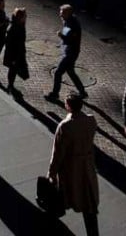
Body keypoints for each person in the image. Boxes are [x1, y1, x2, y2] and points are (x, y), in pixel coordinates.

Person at [48, 93, 99, 236]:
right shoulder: (91, 120)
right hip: (87, 167)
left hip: (71, 168)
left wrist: (51, 173)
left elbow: (58, 152)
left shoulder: (65, 126)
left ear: (68, 106)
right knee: (89, 203)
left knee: (65, 196)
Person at [46, 4, 87, 102]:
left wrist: (61, 36)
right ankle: (82, 92)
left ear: (68, 13)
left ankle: (55, 94)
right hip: (69, 51)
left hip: (70, 53)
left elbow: (71, 39)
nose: (60, 15)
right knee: (70, 72)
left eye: (62, 13)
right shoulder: (68, 21)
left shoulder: (73, 24)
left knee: (58, 72)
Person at [3, 8, 29, 95]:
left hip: (19, 53)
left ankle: (11, 85)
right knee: (12, 70)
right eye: (24, 16)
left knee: (15, 70)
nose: (26, 17)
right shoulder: (13, 28)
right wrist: (13, 58)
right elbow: (9, 44)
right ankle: (10, 85)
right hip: (14, 55)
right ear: (20, 17)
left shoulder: (20, 25)